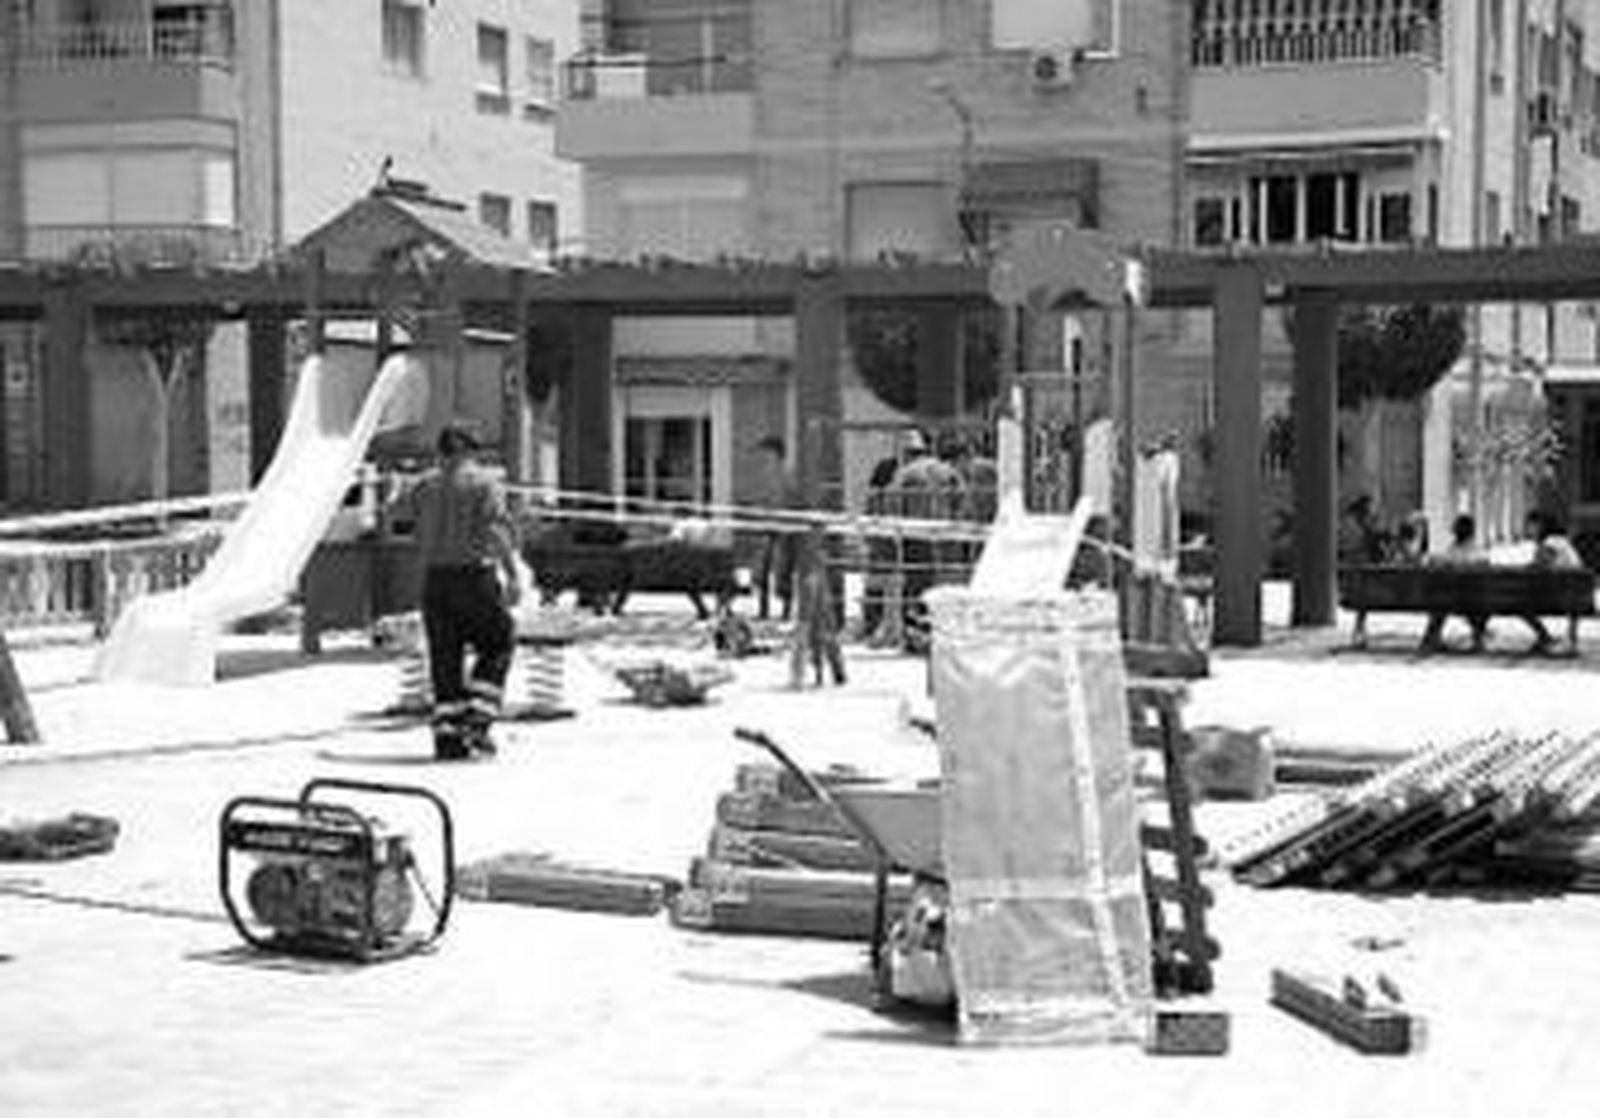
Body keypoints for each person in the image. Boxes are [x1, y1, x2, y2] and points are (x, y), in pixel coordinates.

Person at [392, 421, 522, 761]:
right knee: (498, 642)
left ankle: (448, 739)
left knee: (445, 658)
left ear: (441, 453)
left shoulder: (423, 487)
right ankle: (477, 721)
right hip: (473, 577)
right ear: (468, 451)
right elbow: (495, 532)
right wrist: (512, 576)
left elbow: (398, 519)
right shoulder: (484, 483)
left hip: (435, 581)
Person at [1420, 513, 1489, 652]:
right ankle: (1478, 637)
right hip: (1476, 602)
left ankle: (1431, 637)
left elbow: (1438, 562)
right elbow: (1484, 565)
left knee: (1440, 602)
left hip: (1451, 600)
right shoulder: (1479, 553)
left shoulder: (1452, 552)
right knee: (1451, 600)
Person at [1520, 509, 1585, 655]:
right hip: (1573, 596)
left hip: (1558, 597)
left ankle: (1545, 637)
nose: (1528, 528)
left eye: (1531, 525)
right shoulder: (1562, 542)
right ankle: (1569, 638)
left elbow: (1539, 565)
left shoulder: (1551, 542)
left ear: (1541, 526)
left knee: (1520, 603)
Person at [753, 435, 801, 621]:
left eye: (766, 453)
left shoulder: (788, 474)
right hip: (768, 526)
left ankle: (786, 611)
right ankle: (763, 609)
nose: (763, 458)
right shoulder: (767, 474)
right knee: (761, 569)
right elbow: (766, 499)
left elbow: (792, 499)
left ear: (775, 453)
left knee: (783, 569)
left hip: (785, 528)